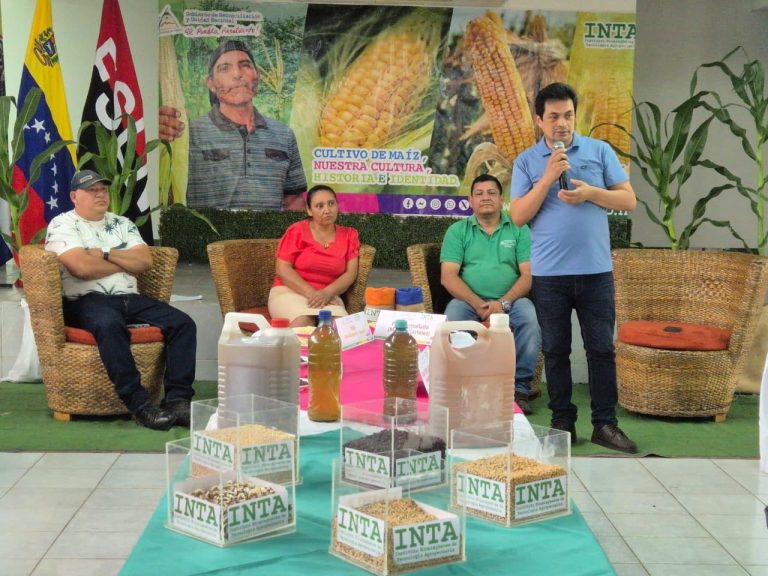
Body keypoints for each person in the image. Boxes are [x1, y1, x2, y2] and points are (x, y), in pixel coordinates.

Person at [510, 82, 638, 453]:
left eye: (567, 115)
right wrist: (548, 178)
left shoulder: (599, 151)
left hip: (596, 272)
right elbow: (517, 215)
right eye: (553, 117)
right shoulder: (526, 162)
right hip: (550, 276)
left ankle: (605, 424)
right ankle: (562, 424)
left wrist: (590, 194)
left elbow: (629, 200)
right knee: (556, 350)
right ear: (539, 121)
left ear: (575, 116)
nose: (561, 124)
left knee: (601, 349)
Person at [45, 170, 196, 431]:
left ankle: (178, 401)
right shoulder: (63, 224)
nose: (100, 195)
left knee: (183, 323)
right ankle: (139, 404)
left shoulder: (122, 223)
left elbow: (144, 261)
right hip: (85, 300)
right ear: (74, 196)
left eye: (102, 189)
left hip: (129, 298)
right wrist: (123, 263)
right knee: (108, 324)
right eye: (91, 190)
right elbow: (81, 268)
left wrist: (103, 253)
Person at [159, 39, 306, 211]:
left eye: (245, 65)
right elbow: (169, 197)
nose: (237, 74)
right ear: (211, 84)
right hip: (210, 238)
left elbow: (294, 201)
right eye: (224, 68)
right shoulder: (189, 134)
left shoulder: (284, 134)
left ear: (257, 75)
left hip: (266, 238)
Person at [440, 174, 542, 415]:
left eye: (491, 193)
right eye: (479, 193)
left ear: (501, 199)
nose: (485, 197)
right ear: (470, 201)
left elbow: (527, 275)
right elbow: (448, 276)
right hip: (468, 302)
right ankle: (462, 385)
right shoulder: (458, 231)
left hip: (512, 301)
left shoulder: (518, 229)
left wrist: (503, 303)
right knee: (452, 317)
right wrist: (477, 304)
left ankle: (520, 389)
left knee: (529, 317)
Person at [268, 185, 360, 327]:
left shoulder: (349, 235)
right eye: (319, 206)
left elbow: (350, 274)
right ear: (309, 210)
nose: (327, 210)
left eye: (331, 204)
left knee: (343, 328)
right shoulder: (297, 230)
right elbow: (282, 268)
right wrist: (313, 294)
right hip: (289, 292)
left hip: (329, 295)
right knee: (304, 322)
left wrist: (327, 293)